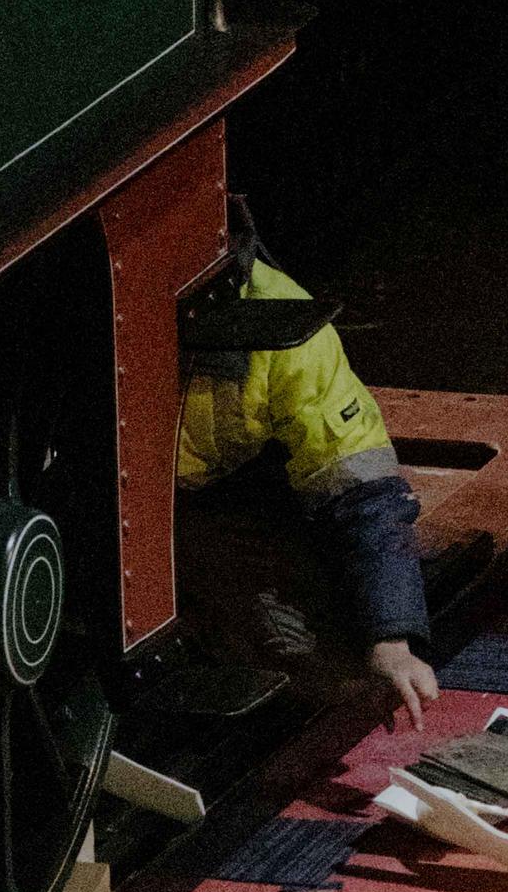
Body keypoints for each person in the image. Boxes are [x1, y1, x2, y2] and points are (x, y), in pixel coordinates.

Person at [171, 202, 440, 727]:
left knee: (328, 625)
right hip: (143, 514)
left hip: (237, 492)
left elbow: (365, 489)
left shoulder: (290, 327)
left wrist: (392, 637)